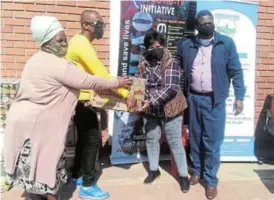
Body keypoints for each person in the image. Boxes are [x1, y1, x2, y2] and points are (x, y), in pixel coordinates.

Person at [3, 16, 132, 200]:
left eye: (65, 40)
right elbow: (89, 80)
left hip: (23, 124)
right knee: (48, 173)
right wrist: (117, 83)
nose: (65, 44)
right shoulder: (57, 64)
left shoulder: (36, 59)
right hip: (39, 127)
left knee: (34, 171)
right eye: (60, 41)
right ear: (47, 42)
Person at [65, 10, 136, 199]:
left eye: (102, 23)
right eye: (97, 24)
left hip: (82, 98)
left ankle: (77, 175)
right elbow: (100, 74)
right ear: (85, 25)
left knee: (83, 139)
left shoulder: (82, 42)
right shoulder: (81, 44)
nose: (100, 27)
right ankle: (88, 185)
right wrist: (125, 93)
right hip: (83, 100)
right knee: (93, 141)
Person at [177, 10, 245, 199]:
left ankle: (211, 180)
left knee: (212, 142)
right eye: (204, 23)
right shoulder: (187, 45)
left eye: (210, 22)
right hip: (193, 99)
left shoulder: (226, 43)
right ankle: (197, 171)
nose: (208, 25)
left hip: (214, 101)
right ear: (197, 27)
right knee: (196, 138)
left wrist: (239, 97)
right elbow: (178, 67)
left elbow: (236, 71)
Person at [136, 30, 190, 193]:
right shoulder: (143, 61)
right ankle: (154, 170)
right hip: (150, 110)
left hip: (170, 109)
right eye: (152, 46)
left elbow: (171, 87)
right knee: (152, 140)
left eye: (158, 45)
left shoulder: (171, 61)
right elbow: (139, 82)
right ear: (147, 47)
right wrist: (136, 98)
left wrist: (150, 101)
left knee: (174, 141)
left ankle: (183, 176)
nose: (156, 48)